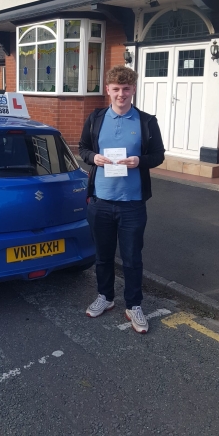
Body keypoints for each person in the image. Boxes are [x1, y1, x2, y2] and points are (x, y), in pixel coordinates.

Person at [79, 65, 165, 334]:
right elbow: (82, 148)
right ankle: (105, 298)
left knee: (131, 258)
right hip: (101, 201)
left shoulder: (146, 121)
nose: (121, 94)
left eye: (126, 89)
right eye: (116, 89)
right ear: (108, 90)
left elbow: (159, 155)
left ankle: (134, 305)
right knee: (103, 257)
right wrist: (93, 158)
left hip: (132, 203)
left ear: (133, 89)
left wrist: (140, 160)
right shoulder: (95, 118)